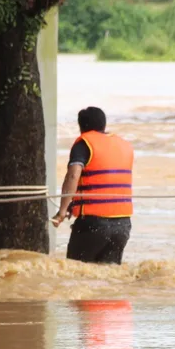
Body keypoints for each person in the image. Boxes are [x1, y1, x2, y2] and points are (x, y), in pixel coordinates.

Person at [52, 107, 134, 265]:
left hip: (93, 225)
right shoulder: (124, 145)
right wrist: (74, 205)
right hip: (122, 225)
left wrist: (62, 211)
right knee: (108, 277)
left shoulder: (84, 143)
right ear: (103, 124)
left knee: (75, 273)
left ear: (81, 126)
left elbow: (73, 175)